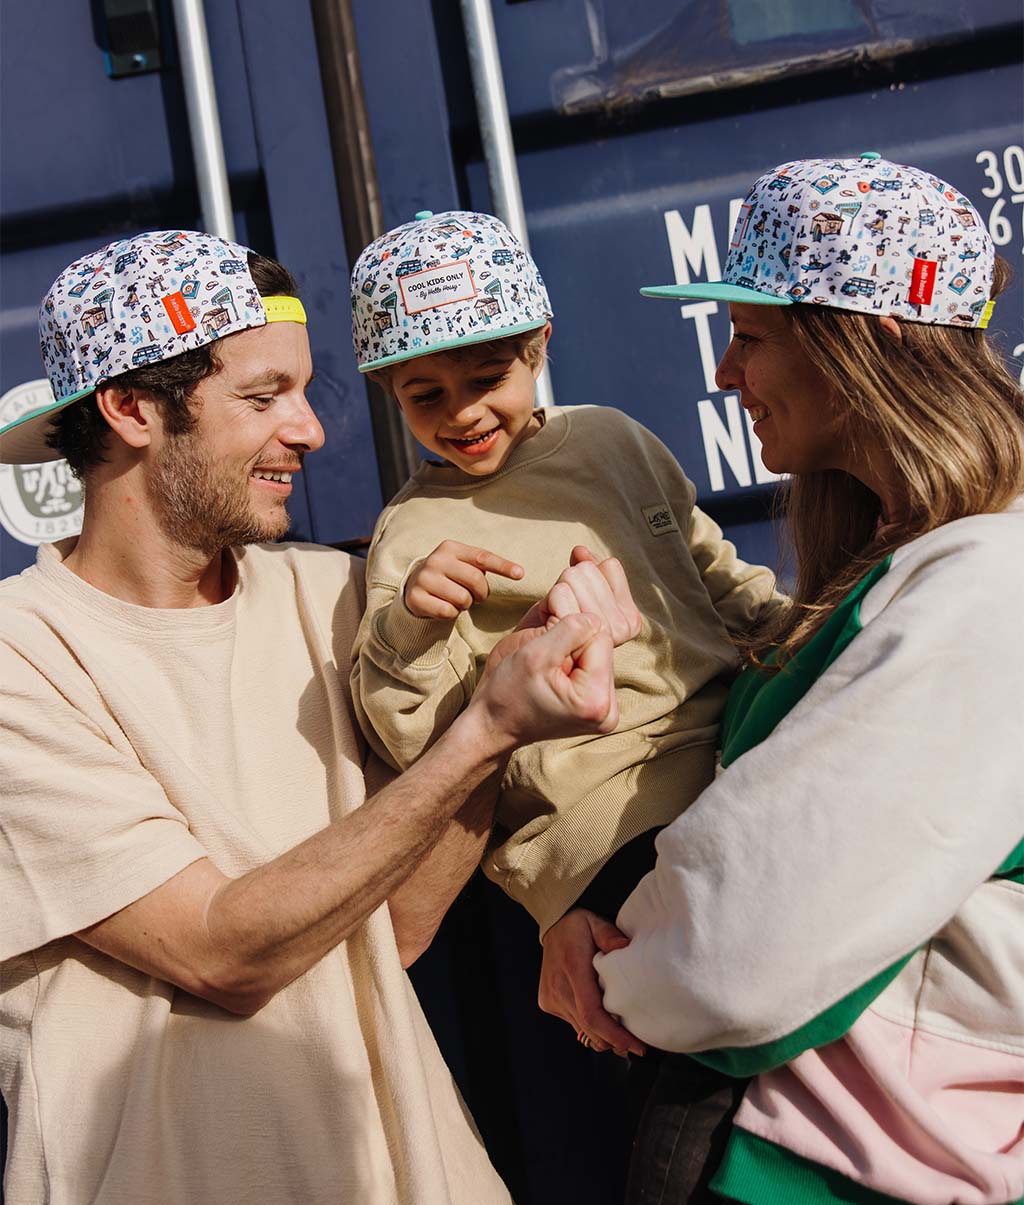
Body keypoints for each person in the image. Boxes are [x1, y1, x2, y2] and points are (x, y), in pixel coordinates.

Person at [0, 229, 627, 1204]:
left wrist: (564, 845)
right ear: (129, 408)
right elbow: (221, 949)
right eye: (262, 397)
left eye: (303, 390)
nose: (310, 429)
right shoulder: (21, 657)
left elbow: (400, 925)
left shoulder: (344, 602)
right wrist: (484, 728)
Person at [585, 153, 1024, 1204]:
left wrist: (619, 967)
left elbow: (733, 948)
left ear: (868, 340)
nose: (725, 373)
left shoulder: (988, 584)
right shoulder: (910, 569)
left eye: (751, 335)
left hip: (858, 1175)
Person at [348, 209, 779, 986]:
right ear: (387, 389)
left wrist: (817, 644)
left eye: (487, 379)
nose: (464, 412)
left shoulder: (617, 441)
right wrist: (412, 624)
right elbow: (414, 737)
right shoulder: (413, 537)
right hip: (599, 829)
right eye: (426, 395)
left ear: (539, 344)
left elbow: (723, 582)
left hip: (740, 756)